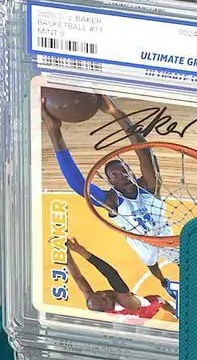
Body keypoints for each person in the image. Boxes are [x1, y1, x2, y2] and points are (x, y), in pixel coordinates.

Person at [42, 93, 176, 296]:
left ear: (131, 171)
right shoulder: (113, 201)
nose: (121, 175)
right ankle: (163, 281)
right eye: (114, 175)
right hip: (140, 241)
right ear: (110, 182)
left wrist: (116, 112)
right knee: (152, 264)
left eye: (124, 170)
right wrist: (54, 133)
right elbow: (79, 185)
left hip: (165, 234)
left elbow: (144, 152)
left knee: (188, 260)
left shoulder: (149, 186)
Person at [66, 238, 177, 321]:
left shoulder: (94, 301)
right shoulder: (125, 302)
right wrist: (84, 253)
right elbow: (111, 274)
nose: (104, 294)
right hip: (141, 313)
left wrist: (65, 252)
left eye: (99, 293)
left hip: (126, 321)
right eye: (105, 299)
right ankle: (176, 312)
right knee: (159, 300)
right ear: (108, 308)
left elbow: (77, 277)